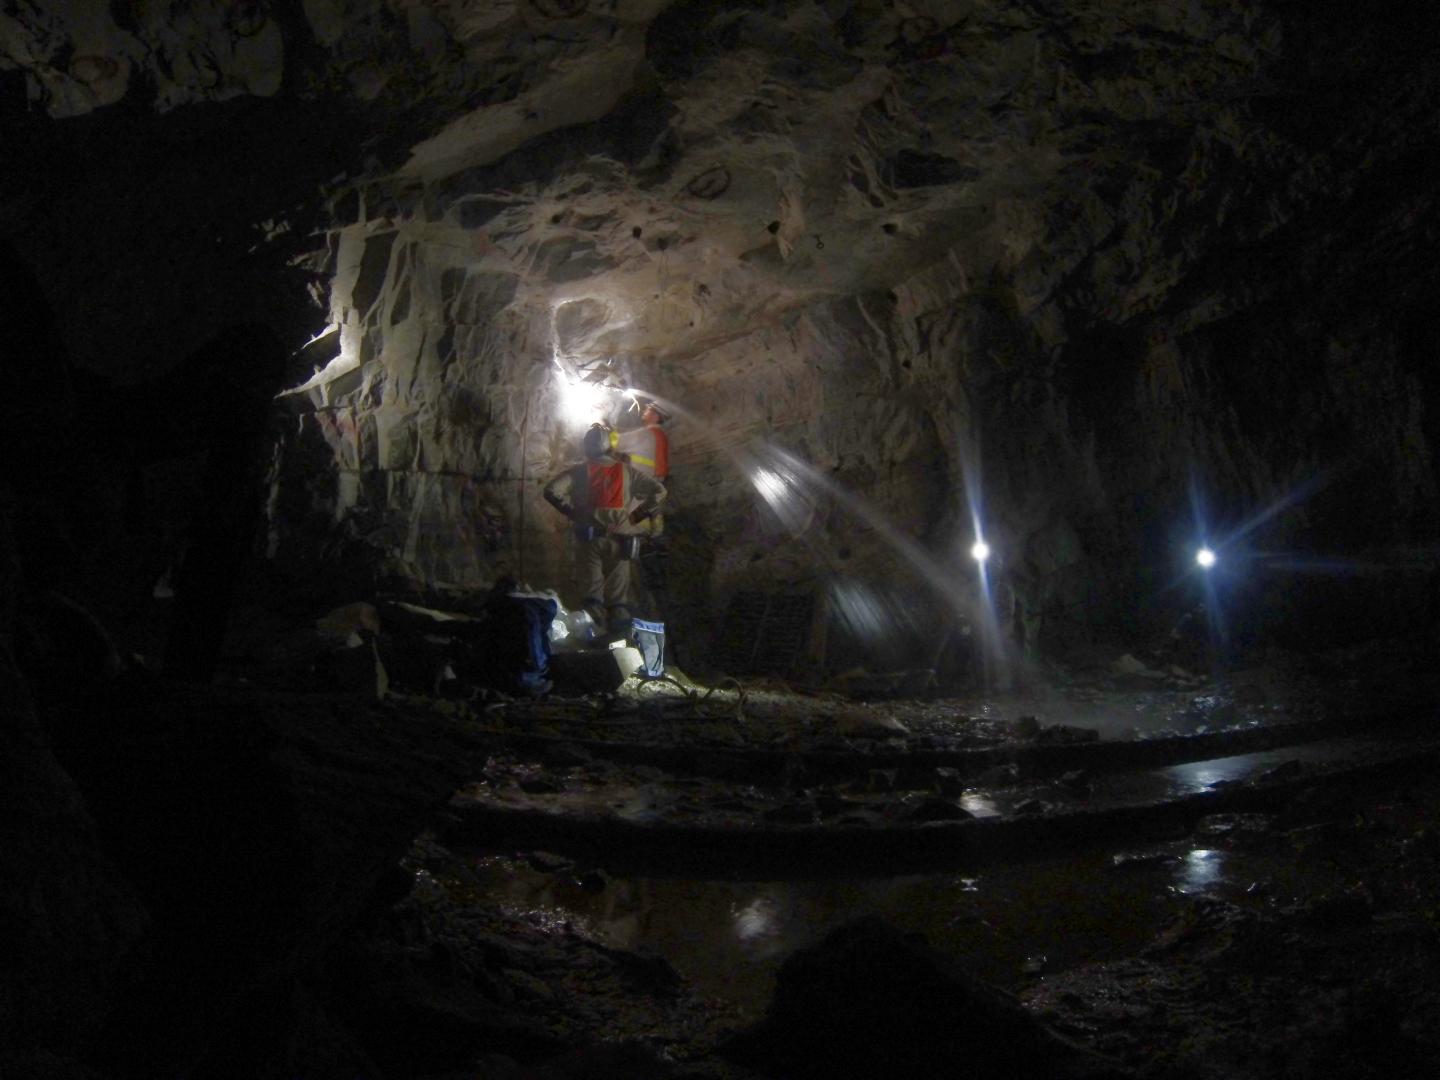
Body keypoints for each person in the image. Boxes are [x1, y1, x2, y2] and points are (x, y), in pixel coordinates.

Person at [543, 423, 666, 639]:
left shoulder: (580, 472)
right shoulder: (627, 471)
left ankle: (592, 651)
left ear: (587, 447)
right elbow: (659, 490)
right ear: (609, 445)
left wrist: (574, 513)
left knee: (592, 601)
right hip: (621, 543)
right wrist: (635, 517)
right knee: (618, 602)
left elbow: (551, 490)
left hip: (590, 540)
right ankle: (619, 650)